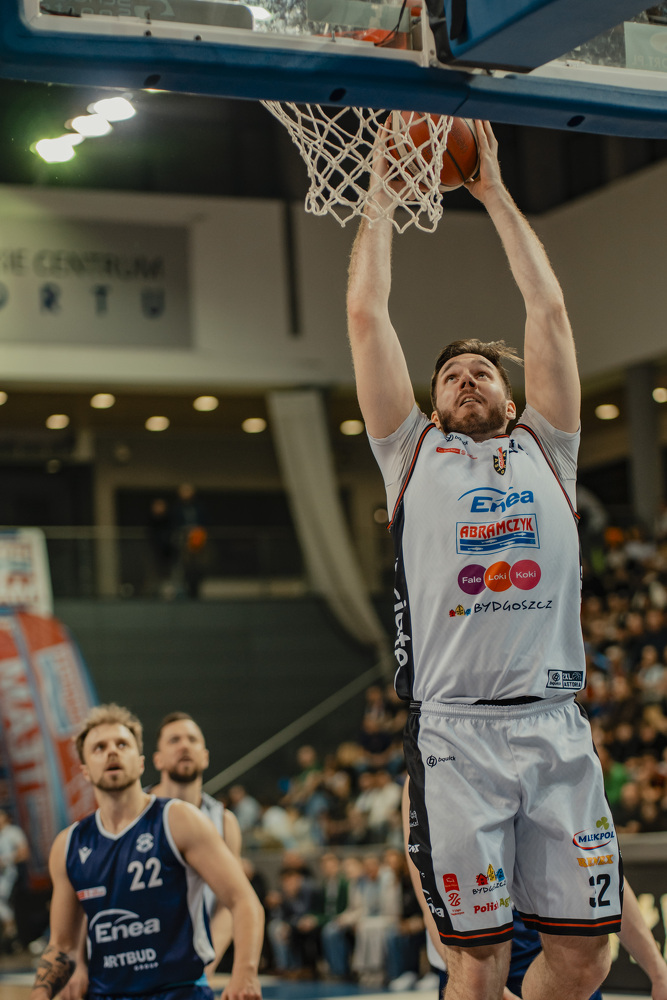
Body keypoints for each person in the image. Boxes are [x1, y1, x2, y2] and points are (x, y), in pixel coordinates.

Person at [347, 120, 621, 1000]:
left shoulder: (549, 448)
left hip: (554, 725)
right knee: (476, 961)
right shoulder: (409, 455)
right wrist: (381, 190)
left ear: (510, 397)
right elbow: (366, 317)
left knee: (587, 955)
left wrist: (492, 191)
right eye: (451, 375)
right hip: (455, 738)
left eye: (481, 372)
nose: (466, 378)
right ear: (431, 405)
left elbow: (548, 312)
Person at [30, 703, 263, 1000]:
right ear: (85, 771)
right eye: (99, 747)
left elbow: (244, 900)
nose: (112, 752)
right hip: (106, 993)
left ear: (141, 763)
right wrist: (39, 994)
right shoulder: (69, 844)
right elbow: (62, 946)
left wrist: (245, 971)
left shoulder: (179, 819)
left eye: (122, 744)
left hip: (177, 991)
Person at [401, 779, 667, 1000]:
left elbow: (599, 874)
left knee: (584, 962)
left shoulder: (551, 756)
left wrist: (658, 972)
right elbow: (433, 904)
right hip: (477, 950)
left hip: (554, 947)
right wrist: (482, 984)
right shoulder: (435, 767)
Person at [151, 711, 243, 974]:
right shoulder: (135, 814)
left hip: (194, 963)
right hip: (140, 959)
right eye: (174, 740)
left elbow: (231, 902)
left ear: (205, 756)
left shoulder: (224, 822)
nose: (184, 746)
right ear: (157, 759)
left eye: (192, 739)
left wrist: (206, 964)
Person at [0, 807, 29, 952]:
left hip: (13, 877)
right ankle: (10, 935)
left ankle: (15, 937)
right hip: (3, 879)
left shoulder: (13, 832)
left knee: (12, 906)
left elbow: (24, 853)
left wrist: (5, 861)